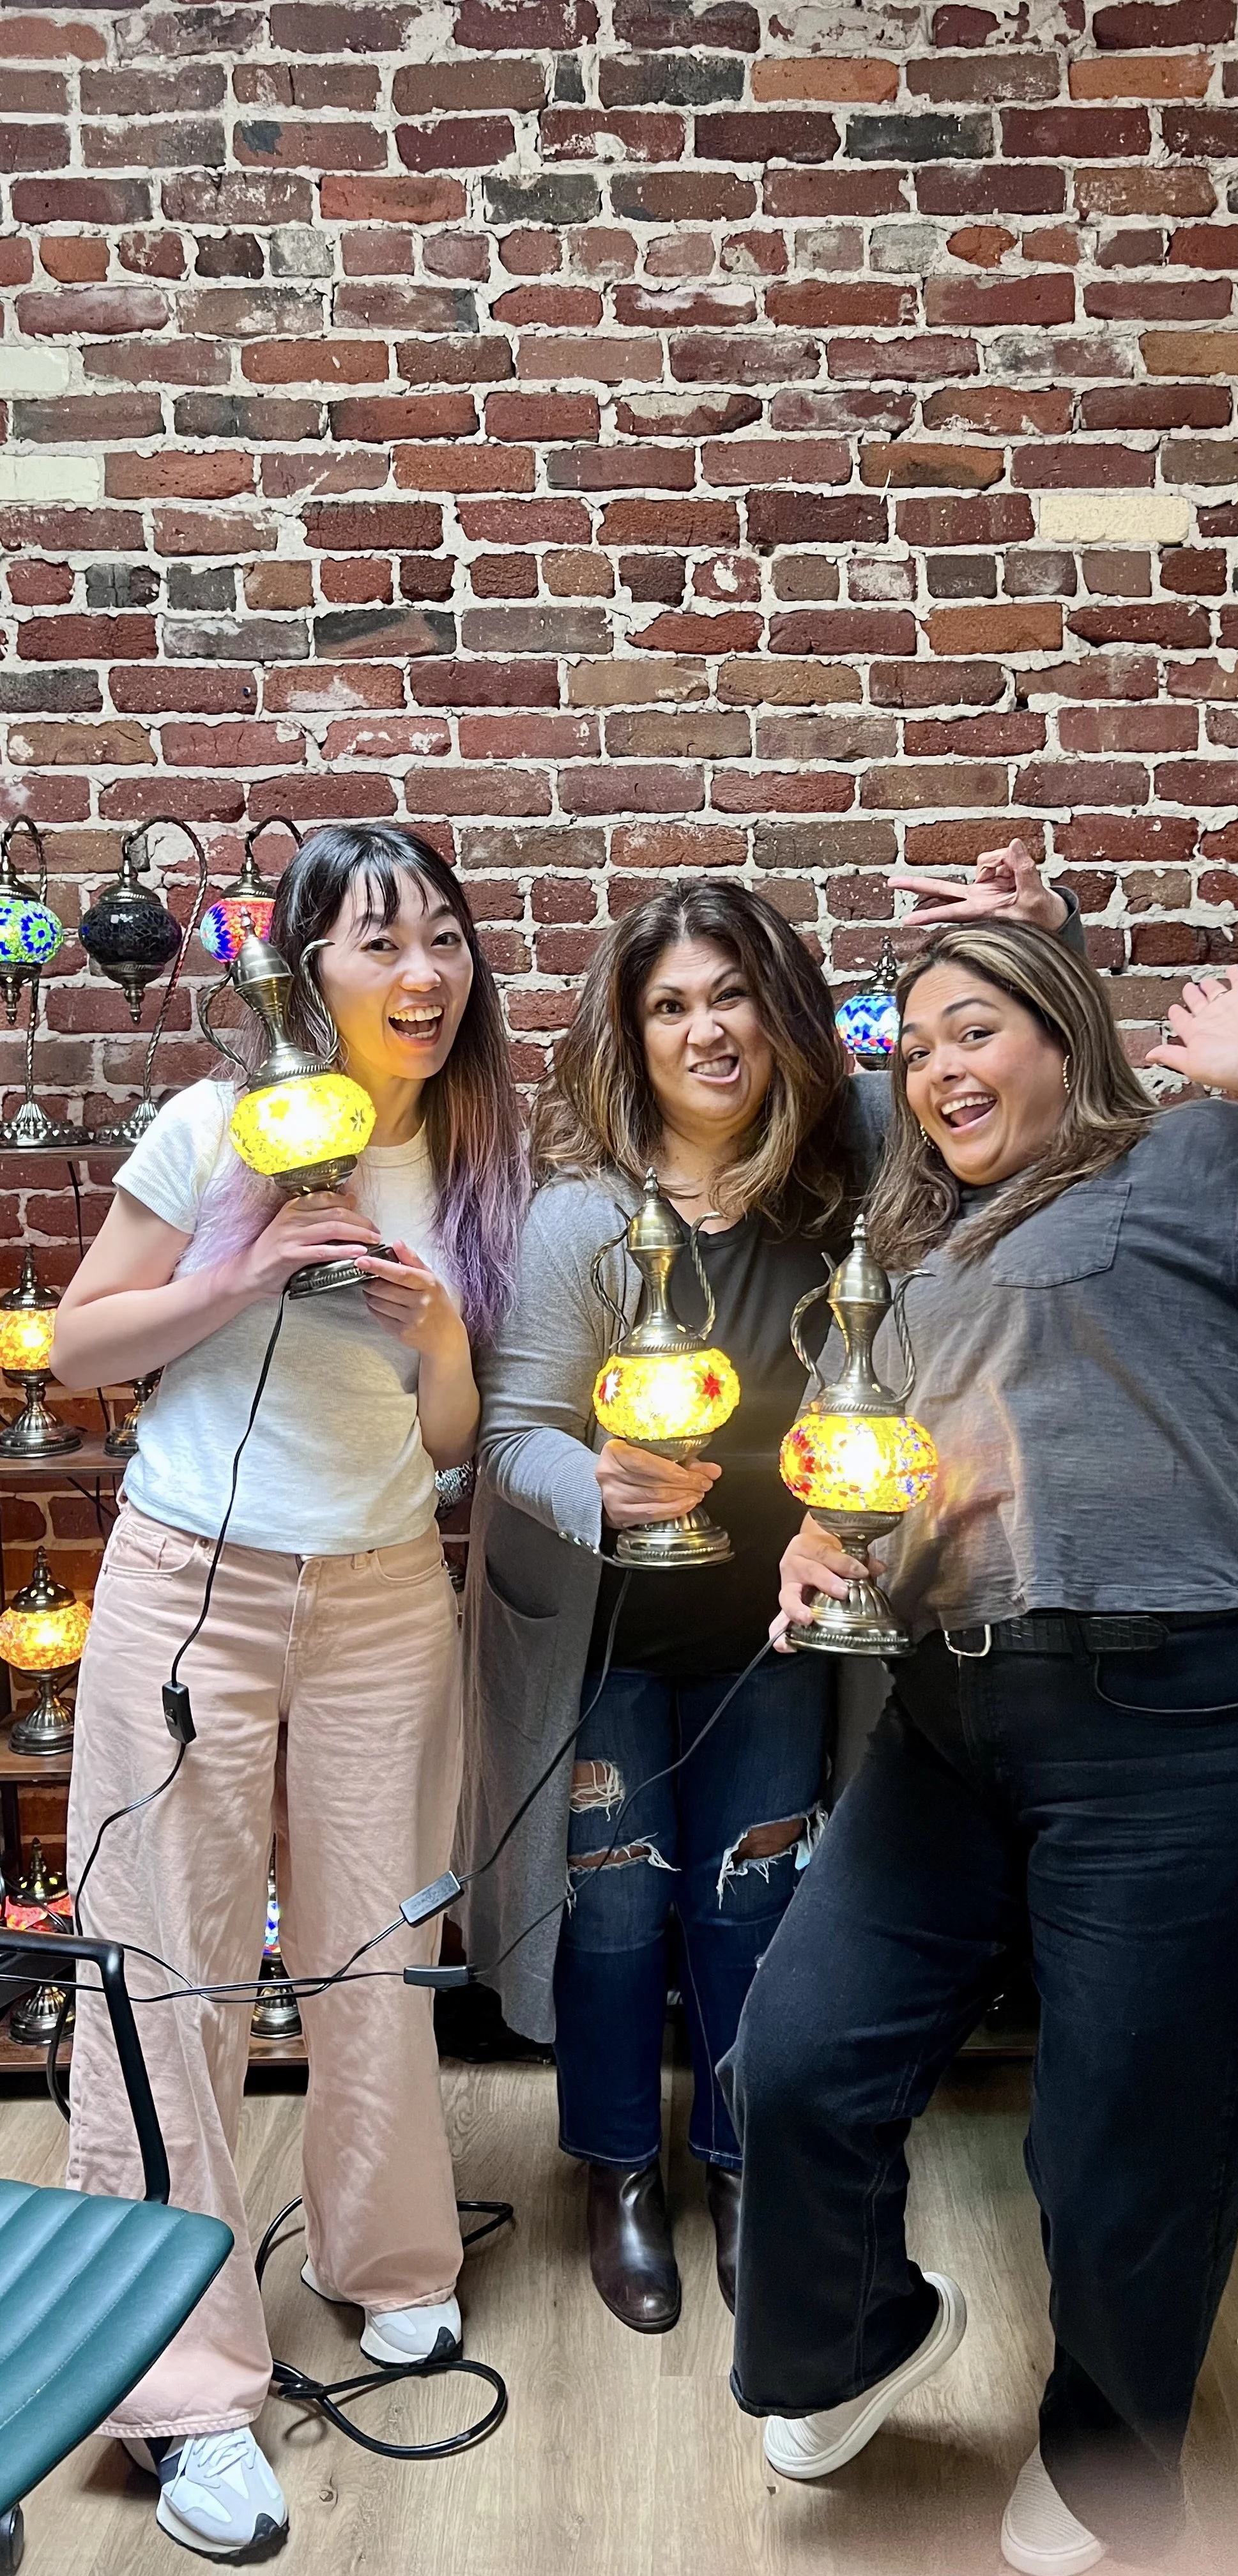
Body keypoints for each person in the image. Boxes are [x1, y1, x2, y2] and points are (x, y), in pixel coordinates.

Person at [722, 924, 1238, 2574]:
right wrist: (829, 1540)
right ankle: (849, 2336)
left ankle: (1115, 2466)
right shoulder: (925, 1249)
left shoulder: (1191, 1157)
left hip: (1187, 1715)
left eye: (975, 1027)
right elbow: (921, 1468)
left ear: (1065, 1039)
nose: (938, 1067)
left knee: (1119, 2134)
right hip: (951, 1711)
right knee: (799, 2065)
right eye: (914, 1045)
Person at [460, 860, 1083, 2337]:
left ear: (783, 1006)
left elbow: (1033, 1099)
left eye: (733, 992)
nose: (707, 1031)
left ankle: (743, 2170)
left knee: (753, 1904)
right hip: (609, 1638)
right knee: (614, 1917)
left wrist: (1041, 945)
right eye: (670, 1005)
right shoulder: (581, 1223)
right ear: (633, 1035)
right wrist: (589, 1485)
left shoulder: (861, 1163)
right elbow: (507, 1437)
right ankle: (620, 2169)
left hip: (788, 1634)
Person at [50, 824, 526, 2562]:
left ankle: (385, 2261)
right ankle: (175, 2384)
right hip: (191, 1588)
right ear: (304, 966)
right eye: (380, 945)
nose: (422, 978)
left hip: (392, 1595)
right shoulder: (214, 1127)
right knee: (163, 1978)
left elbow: (458, 1443)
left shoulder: (478, 1146)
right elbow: (79, 1346)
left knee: (373, 1949)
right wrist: (235, 1275)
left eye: (447, 944)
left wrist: (436, 1340)